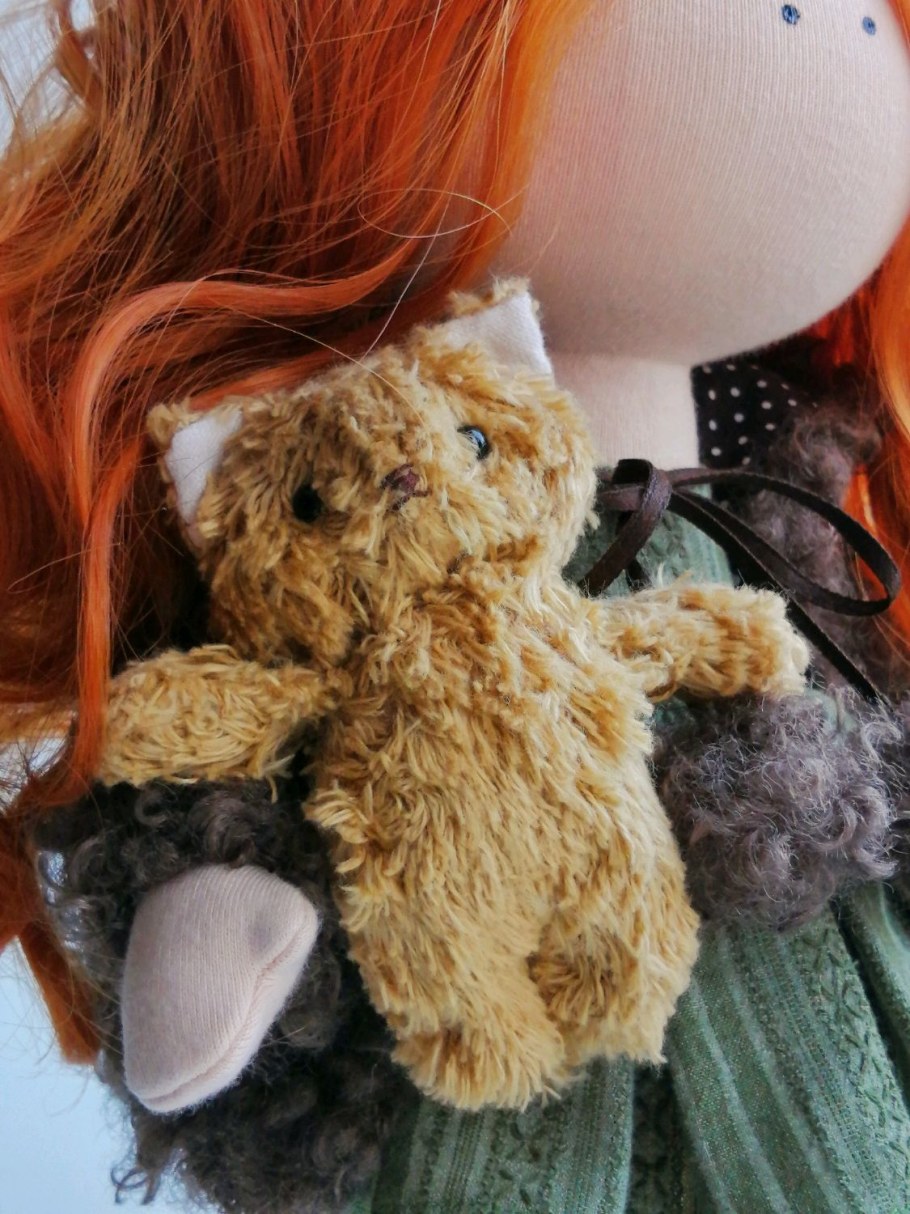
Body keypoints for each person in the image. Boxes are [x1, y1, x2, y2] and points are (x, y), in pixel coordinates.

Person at [1, 1, 909, 1209]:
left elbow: (814, 661)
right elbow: (227, 713)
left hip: (814, 997)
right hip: (463, 999)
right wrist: (222, 872)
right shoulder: (332, 488)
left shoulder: (794, 455)